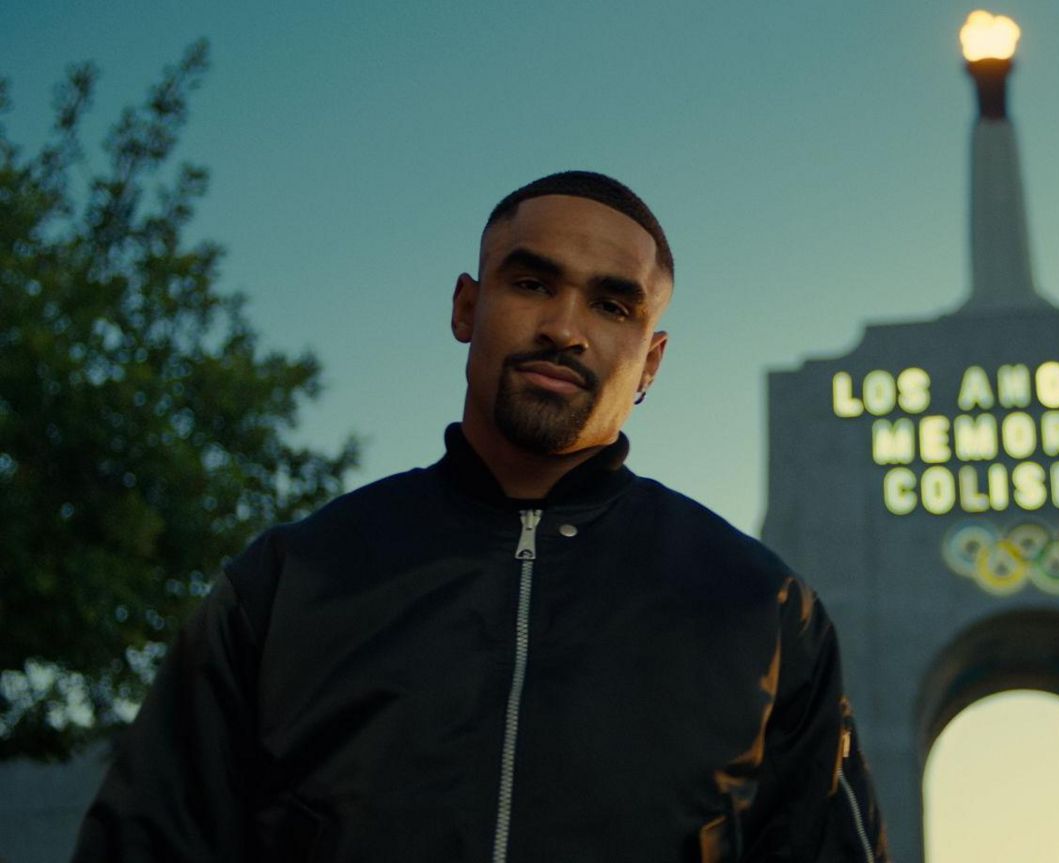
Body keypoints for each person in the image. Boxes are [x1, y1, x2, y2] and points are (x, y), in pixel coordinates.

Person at [71, 171, 889, 862]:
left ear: (652, 361)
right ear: (467, 307)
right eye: (531, 283)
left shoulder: (763, 612)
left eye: (612, 306)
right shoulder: (289, 583)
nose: (564, 329)